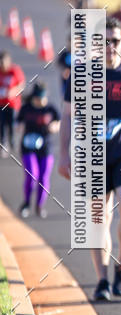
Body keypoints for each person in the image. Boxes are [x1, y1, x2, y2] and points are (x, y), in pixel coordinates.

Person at [59, 17, 121, 302]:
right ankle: (103, 279)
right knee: (98, 217)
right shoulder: (81, 72)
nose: (108, 46)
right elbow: (67, 115)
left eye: (114, 40)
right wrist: (63, 153)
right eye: (102, 41)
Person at [17, 83, 60, 219]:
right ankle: (26, 203)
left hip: (46, 147)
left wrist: (54, 126)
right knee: (32, 175)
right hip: (28, 146)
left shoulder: (50, 109)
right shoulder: (26, 108)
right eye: (38, 98)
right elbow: (18, 123)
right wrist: (20, 127)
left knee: (43, 177)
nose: (41, 101)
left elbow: (59, 122)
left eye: (43, 98)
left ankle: (40, 205)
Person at [0, 51, 25, 158]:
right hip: (1, 103)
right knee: (1, 125)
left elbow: (21, 85)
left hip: (12, 104)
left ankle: (13, 143)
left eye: (3, 63)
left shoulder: (14, 70)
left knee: (11, 124)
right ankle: (3, 145)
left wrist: (12, 91)